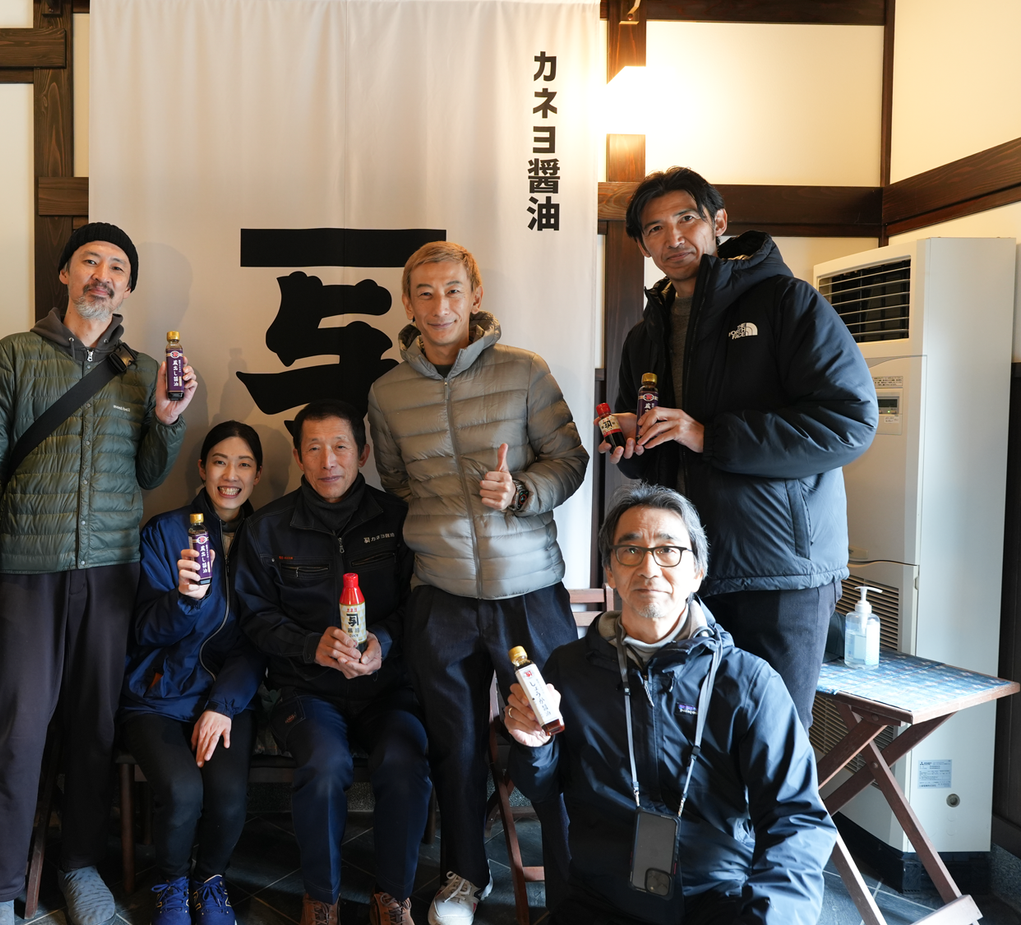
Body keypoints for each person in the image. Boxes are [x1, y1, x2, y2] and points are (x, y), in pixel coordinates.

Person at [0, 222, 196, 925]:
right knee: (18, 732)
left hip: (111, 572)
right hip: (26, 572)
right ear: (64, 274)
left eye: (117, 267)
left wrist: (169, 420)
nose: (103, 275)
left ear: (128, 288)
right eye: (90, 261)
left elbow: (151, 474)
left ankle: (80, 867)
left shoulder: (143, 370)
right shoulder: (14, 353)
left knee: (94, 729)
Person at [599, 167, 877, 729]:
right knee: (693, 736)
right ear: (643, 245)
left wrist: (708, 434)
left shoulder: (786, 302)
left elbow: (850, 422)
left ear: (718, 222)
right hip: (685, 571)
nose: (673, 237)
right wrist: (634, 441)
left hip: (778, 572)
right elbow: (662, 452)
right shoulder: (644, 335)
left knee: (773, 737)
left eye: (687, 218)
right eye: (654, 228)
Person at [366, 241, 589, 925]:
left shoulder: (524, 370)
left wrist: (519, 491)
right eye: (425, 293)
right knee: (455, 744)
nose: (440, 306)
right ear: (409, 303)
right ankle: (465, 876)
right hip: (440, 593)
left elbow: (570, 460)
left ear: (475, 294)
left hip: (530, 591)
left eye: (453, 291)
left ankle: (575, 884)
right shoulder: (387, 392)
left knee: (551, 730)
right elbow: (397, 481)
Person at [502, 482, 836, 925]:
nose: (649, 568)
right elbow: (542, 788)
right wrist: (534, 747)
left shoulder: (749, 682)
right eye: (630, 551)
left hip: (715, 897)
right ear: (609, 571)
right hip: (600, 897)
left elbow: (796, 819)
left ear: (698, 571)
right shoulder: (570, 668)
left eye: (668, 550)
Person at [234, 399, 431, 925]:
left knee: (406, 762)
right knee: (325, 766)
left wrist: (384, 641)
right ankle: (321, 899)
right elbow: (254, 616)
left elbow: (421, 601)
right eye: (315, 449)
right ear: (298, 456)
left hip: (388, 689)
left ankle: (393, 897)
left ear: (362, 453)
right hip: (306, 691)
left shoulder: (399, 520)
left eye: (340, 447)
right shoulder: (268, 528)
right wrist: (309, 646)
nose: (329, 462)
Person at [120, 421, 268, 925]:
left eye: (244, 464)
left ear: (257, 475)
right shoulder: (164, 532)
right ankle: (171, 885)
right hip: (156, 696)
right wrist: (184, 600)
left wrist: (222, 706)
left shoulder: (265, 538)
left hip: (226, 699)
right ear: (203, 468)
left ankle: (209, 881)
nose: (231, 475)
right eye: (220, 462)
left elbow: (258, 641)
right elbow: (143, 630)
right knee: (183, 793)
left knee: (228, 799)